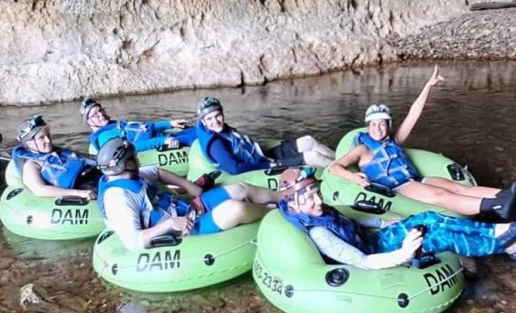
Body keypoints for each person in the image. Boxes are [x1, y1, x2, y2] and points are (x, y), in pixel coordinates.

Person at [327, 67, 516, 220]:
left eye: (382, 124)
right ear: (367, 126)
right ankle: (498, 206)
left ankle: (512, 195)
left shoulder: (394, 140)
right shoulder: (362, 149)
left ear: (388, 125)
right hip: (398, 188)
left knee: (459, 188)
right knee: (441, 195)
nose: (378, 128)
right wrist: (353, 177)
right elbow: (334, 167)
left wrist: (428, 86)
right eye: (373, 125)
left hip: (416, 179)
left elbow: (414, 113)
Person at [278, 167, 516, 266]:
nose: (318, 199)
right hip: (378, 253)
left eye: (316, 192)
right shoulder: (320, 233)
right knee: (438, 236)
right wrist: (403, 254)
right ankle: (506, 243)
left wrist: (381, 221)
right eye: (309, 197)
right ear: (294, 205)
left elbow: (351, 222)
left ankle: (498, 232)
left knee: (428, 216)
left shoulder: (320, 213)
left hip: (376, 238)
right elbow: (362, 262)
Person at [96, 137, 278, 250]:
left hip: (188, 208)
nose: (138, 159)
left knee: (240, 188)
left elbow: (158, 172)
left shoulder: (133, 175)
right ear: (127, 164)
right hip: (185, 228)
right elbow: (134, 242)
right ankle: (273, 212)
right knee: (234, 208)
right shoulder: (118, 198)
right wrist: (170, 224)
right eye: (134, 157)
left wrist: (190, 187)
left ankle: (284, 198)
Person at [192, 96, 335, 175]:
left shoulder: (222, 129)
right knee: (312, 156)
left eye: (217, 116)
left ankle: (342, 160)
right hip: (261, 165)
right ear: (203, 122)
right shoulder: (216, 144)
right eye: (209, 119)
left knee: (308, 141)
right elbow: (234, 169)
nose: (215, 121)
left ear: (222, 114)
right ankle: (342, 173)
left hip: (263, 155)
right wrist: (267, 164)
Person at [10, 115, 98, 202]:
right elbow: (39, 190)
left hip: (92, 176)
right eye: (42, 138)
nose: (48, 140)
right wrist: (78, 193)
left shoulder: (58, 152)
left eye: (48, 135)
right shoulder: (31, 165)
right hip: (83, 187)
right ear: (30, 143)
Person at [81, 97, 196, 153]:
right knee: (197, 137)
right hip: (158, 142)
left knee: (197, 129)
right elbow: (132, 147)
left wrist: (169, 123)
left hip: (160, 135)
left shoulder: (112, 125)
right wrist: (163, 141)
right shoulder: (104, 137)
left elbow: (144, 127)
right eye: (95, 114)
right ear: (89, 122)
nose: (101, 114)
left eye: (101, 110)